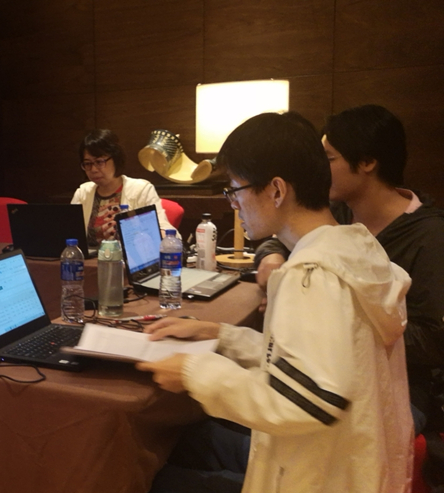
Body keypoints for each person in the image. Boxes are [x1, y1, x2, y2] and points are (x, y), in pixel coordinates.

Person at [137, 113, 412, 492]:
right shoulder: (352, 250)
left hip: (321, 476)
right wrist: (220, 336)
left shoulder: (312, 274)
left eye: (236, 189)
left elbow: (307, 400)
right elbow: (310, 358)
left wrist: (194, 373)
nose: (234, 204)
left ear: (277, 190)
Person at [253, 104, 444, 486]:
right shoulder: (340, 213)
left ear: (368, 162)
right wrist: (273, 258)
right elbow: (280, 236)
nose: (320, 170)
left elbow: (434, 340)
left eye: (329, 159)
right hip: (332, 373)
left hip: (399, 389)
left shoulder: (429, 236)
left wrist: (340, 318)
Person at [70, 129, 176, 248]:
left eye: (99, 162)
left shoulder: (141, 190)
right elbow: (69, 233)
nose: (93, 169)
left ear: (115, 159)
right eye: (88, 164)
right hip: (89, 259)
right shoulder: (83, 193)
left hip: (129, 258)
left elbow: (166, 233)